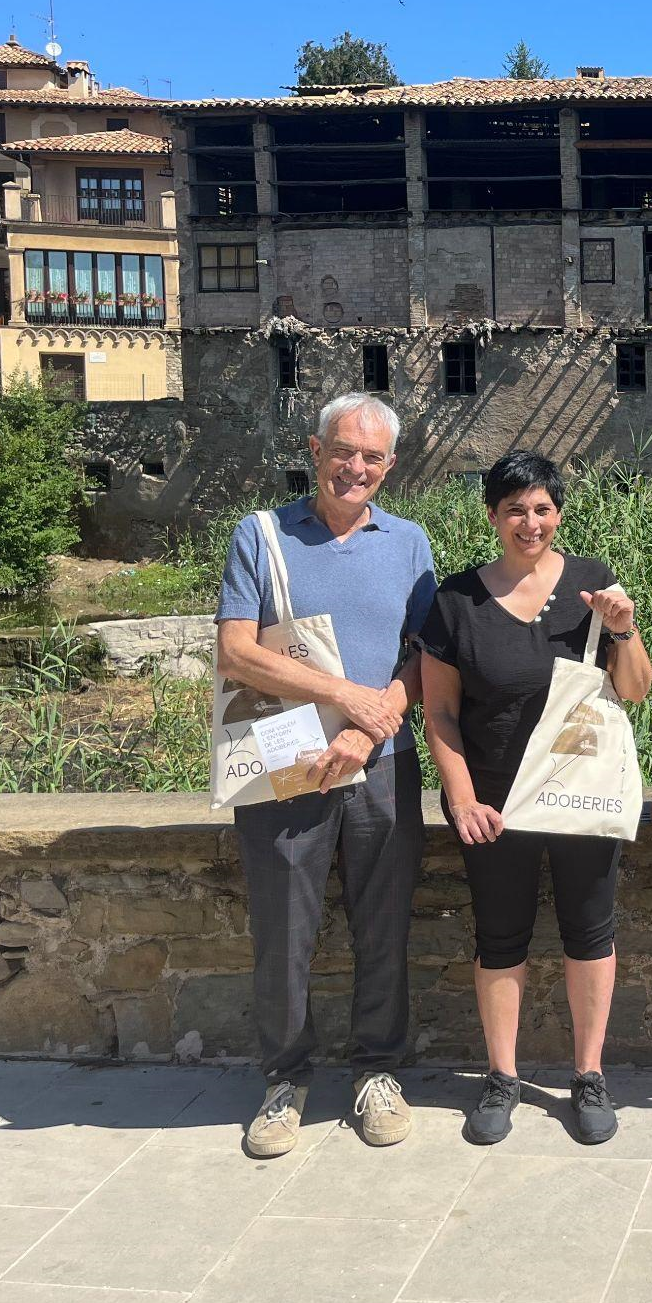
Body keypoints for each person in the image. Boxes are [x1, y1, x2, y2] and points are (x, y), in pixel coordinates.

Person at [216, 392, 437, 1159]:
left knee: (384, 927)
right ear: (315, 451)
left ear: (390, 466)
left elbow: (424, 656)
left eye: (372, 457)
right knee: (283, 932)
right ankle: (284, 1081)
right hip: (288, 762)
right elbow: (235, 653)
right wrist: (347, 697)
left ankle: (378, 1072)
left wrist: (371, 725)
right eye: (343, 451)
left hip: (384, 764)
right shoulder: (261, 534)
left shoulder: (410, 542)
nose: (355, 467)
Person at [418, 450, 652, 1146]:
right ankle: (501, 1077)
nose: (531, 522)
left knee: (591, 932)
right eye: (515, 509)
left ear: (559, 513)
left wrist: (623, 628)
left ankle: (589, 1075)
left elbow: (637, 690)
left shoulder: (591, 583)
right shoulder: (456, 601)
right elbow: (440, 713)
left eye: (543, 508)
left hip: (581, 795)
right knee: (499, 937)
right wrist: (462, 799)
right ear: (492, 515)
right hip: (495, 802)